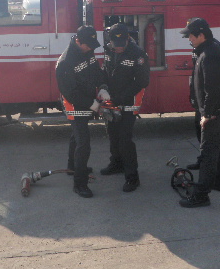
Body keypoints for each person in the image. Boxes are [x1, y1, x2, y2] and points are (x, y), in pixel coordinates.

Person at [179, 18, 220, 208]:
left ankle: (201, 195)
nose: (189, 39)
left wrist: (207, 114)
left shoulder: (208, 54)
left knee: (208, 153)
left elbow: (212, 88)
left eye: (191, 36)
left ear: (201, 35)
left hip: (214, 112)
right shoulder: (213, 47)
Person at [99, 23, 150, 192]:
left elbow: (143, 81)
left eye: (121, 44)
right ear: (110, 41)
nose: (118, 48)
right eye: (115, 44)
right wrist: (103, 87)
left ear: (128, 39)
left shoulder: (138, 55)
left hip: (128, 103)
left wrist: (120, 98)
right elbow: (105, 71)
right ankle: (116, 164)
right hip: (111, 101)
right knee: (113, 135)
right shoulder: (108, 50)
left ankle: (132, 177)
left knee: (124, 140)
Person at [55, 25, 104, 198]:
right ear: (78, 41)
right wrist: (92, 104)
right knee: (83, 143)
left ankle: (73, 167)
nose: (91, 48)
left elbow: (95, 71)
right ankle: (79, 184)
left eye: (92, 45)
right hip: (74, 105)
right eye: (88, 45)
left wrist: (102, 86)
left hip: (86, 102)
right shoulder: (65, 62)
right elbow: (70, 93)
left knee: (76, 137)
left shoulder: (86, 50)